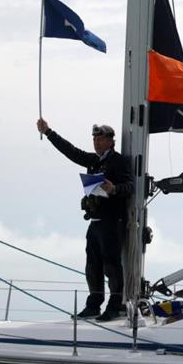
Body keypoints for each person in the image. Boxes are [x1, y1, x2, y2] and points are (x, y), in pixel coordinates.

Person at [36, 119, 133, 321]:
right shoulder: (94, 161)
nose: (96, 142)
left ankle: (115, 305)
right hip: (96, 220)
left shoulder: (118, 161)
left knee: (111, 265)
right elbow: (71, 151)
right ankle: (94, 304)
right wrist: (49, 132)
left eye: (100, 138)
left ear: (110, 141)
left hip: (112, 220)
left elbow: (130, 186)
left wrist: (114, 188)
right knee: (92, 264)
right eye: (95, 139)